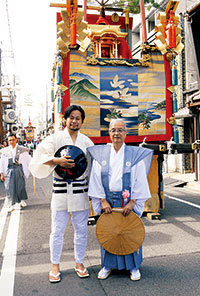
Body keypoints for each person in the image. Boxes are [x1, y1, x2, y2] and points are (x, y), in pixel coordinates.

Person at [29, 105, 94, 283]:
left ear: (82, 121)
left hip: (81, 191)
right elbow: (39, 156)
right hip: (60, 190)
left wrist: (94, 193)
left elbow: (93, 168)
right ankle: (55, 265)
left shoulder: (87, 142)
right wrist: (56, 160)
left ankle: (79, 263)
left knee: (81, 230)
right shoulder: (55, 138)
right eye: (71, 117)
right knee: (57, 231)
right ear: (65, 119)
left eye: (78, 118)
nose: (74, 121)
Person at [87, 118, 153, 281]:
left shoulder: (133, 154)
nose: (116, 133)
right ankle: (107, 265)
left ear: (125, 133)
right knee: (109, 232)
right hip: (108, 200)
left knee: (129, 232)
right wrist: (102, 200)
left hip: (127, 200)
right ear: (109, 133)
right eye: (113, 130)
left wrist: (132, 202)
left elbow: (139, 178)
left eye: (120, 130)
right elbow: (95, 178)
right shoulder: (100, 154)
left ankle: (133, 267)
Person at [0, 134, 31, 212]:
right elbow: (2, 162)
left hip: (18, 169)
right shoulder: (4, 151)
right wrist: (2, 173)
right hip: (9, 170)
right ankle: (11, 204)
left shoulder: (22, 149)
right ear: (7, 141)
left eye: (13, 140)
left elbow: (28, 160)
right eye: (10, 140)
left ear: (16, 140)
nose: (11, 142)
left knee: (20, 185)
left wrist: (32, 167)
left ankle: (21, 200)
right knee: (9, 188)